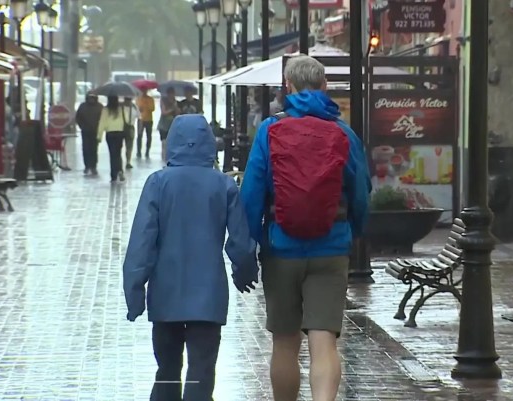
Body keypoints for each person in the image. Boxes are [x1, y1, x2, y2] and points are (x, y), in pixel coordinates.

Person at [239, 55, 371, 401]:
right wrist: (354, 231)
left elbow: (251, 195)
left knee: (284, 343)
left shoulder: (270, 130)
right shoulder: (343, 132)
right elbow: (361, 191)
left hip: (281, 249)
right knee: (324, 341)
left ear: (288, 86)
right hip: (332, 247)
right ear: (325, 86)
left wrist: (253, 244)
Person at [123, 114, 259, 401]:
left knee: (167, 369)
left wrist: (134, 291)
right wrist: (244, 271)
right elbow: (239, 239)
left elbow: (142, 243)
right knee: (201, 371)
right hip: (208, 295)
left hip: (166, 294)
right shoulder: (223, 185)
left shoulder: (158, 183)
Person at [97, 95, 127, 182]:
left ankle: (114, 175)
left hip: (110, 133)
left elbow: (102, 123)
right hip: (120, 132)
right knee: (118, 153)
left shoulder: (106, 110)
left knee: (112, 154)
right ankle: (120, 170)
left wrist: (99, 136)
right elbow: (126, 119)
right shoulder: (121, 109)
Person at [75, 92, 103, 175]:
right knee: (86, 149)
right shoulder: (83, 106)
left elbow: (103, 119)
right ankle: (87, 166)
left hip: (95, 131)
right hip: (86, 130)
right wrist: (82, 126)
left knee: (93, 149)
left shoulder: (99, 107)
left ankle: (93, 166)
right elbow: (78, 117)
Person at [157, 87, 179, 162]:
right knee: (164, 143)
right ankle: (164, 159)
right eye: (170, 93)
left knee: (172, 143)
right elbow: (163, 112)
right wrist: (172, 109)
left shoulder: (175, 102)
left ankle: (170, 158)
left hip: (172, 125)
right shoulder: (163, 100)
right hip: (163, 125)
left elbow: (177, 113)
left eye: (172, 93)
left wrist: (176, 108)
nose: (171, 95)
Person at [136, 89, 155, 158]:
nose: (144, 92)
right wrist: (141, 107)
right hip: (140, 119)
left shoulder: (150, 99)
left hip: (149, 119)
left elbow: (152, 108)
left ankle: (147, 151)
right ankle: (138, 151)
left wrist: (146, 105)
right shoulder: (138, 99)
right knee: (139, 135)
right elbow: (137, 108)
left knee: (149, 136)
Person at [122, 97, 139, 169]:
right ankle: (120, 161)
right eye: (127, 99)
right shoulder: (120, 106)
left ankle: (128, 161)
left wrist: (139, 129)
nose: (128, 101)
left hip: (131, 127)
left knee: (129, 145)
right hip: (121, 127)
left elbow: (139, 117)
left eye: (129, 99)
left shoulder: (134, 107)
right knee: (119, 145)